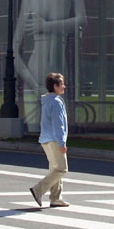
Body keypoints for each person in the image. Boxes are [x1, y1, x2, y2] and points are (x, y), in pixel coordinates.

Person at [29, 72, 69, 208]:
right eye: (62, 84)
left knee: (54, 169)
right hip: (54, 140)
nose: (64, 86)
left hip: (46, 139)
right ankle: (38, 189)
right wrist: (62, 143)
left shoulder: (47, 101)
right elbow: (58, 124)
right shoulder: (56, 102)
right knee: (62, 169)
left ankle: (55, 198)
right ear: (55, 86)